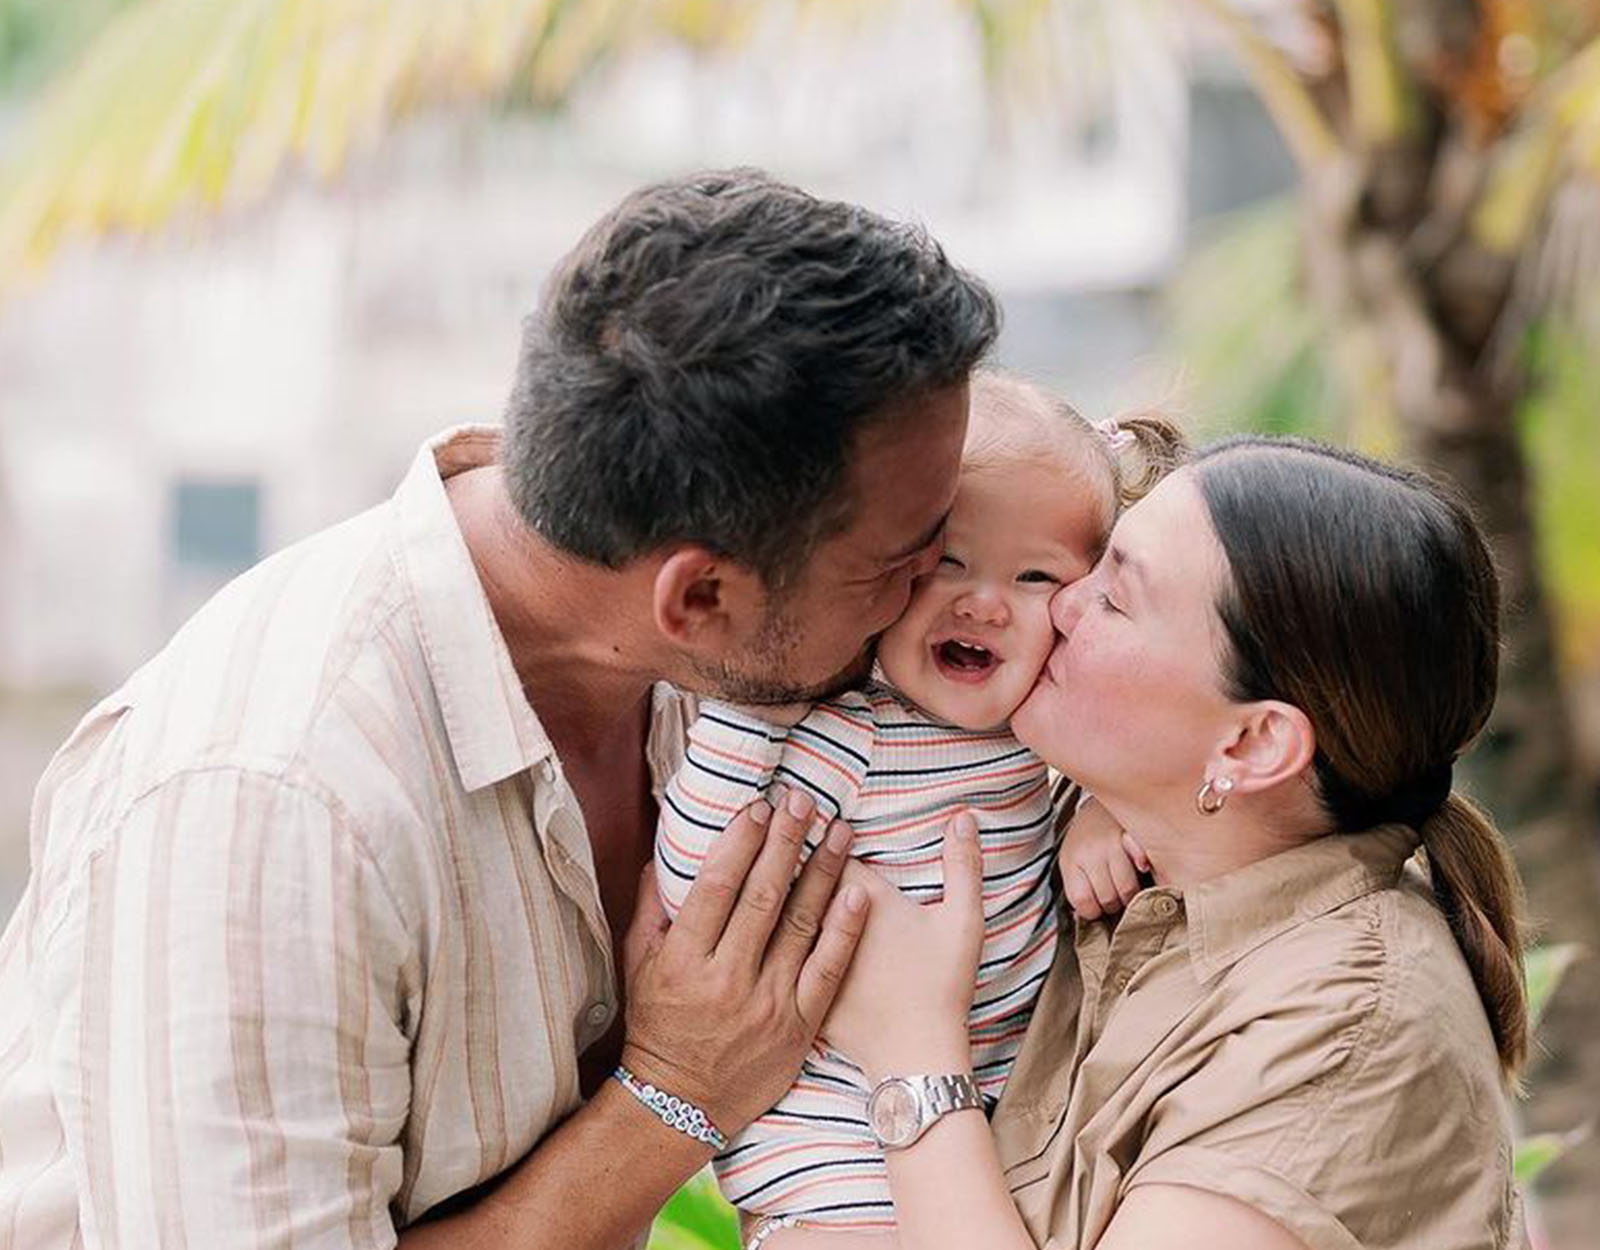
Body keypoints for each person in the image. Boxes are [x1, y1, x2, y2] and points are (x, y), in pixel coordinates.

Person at [0, 169, 1000, 1249]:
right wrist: (672, 1093)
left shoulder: (702, 667)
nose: (936, 584)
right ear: (699, 595)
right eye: (903, 559)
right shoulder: (274, 799)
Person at [773, 437, 1527, 1250]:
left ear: (1250, 747)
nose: (1060, 602)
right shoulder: (1109, 840)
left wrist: (913, 1053)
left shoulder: (1348, 1031)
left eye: (1114, 598)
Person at [654, 373, 1184, 1231]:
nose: (982, 600)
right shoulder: (849, 735)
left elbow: (1150, 769)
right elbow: (701, 877)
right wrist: (747, 715)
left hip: (988, 1141)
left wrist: (1105, 812)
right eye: (948, 563)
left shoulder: (1045, 732)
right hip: (833, 1156)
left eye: (1034, 575)